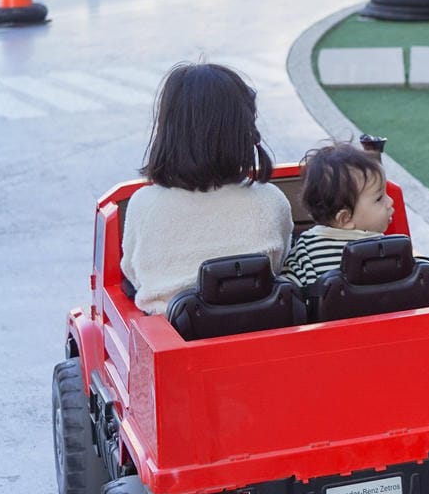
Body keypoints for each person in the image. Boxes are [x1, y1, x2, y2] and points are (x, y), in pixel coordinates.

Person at [121, 61, 293, 315]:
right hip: (261, 327)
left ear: (168, 132)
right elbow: (278, 265)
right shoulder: (270, 201)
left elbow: (134, 274)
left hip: (171, 337)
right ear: (243, 131)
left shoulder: (143, 205)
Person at [280, 143, 395, 289]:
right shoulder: (389, 250)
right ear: (345, 219)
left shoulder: (305, 252)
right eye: (379, 198)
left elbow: (289, 295)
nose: (390, 201)